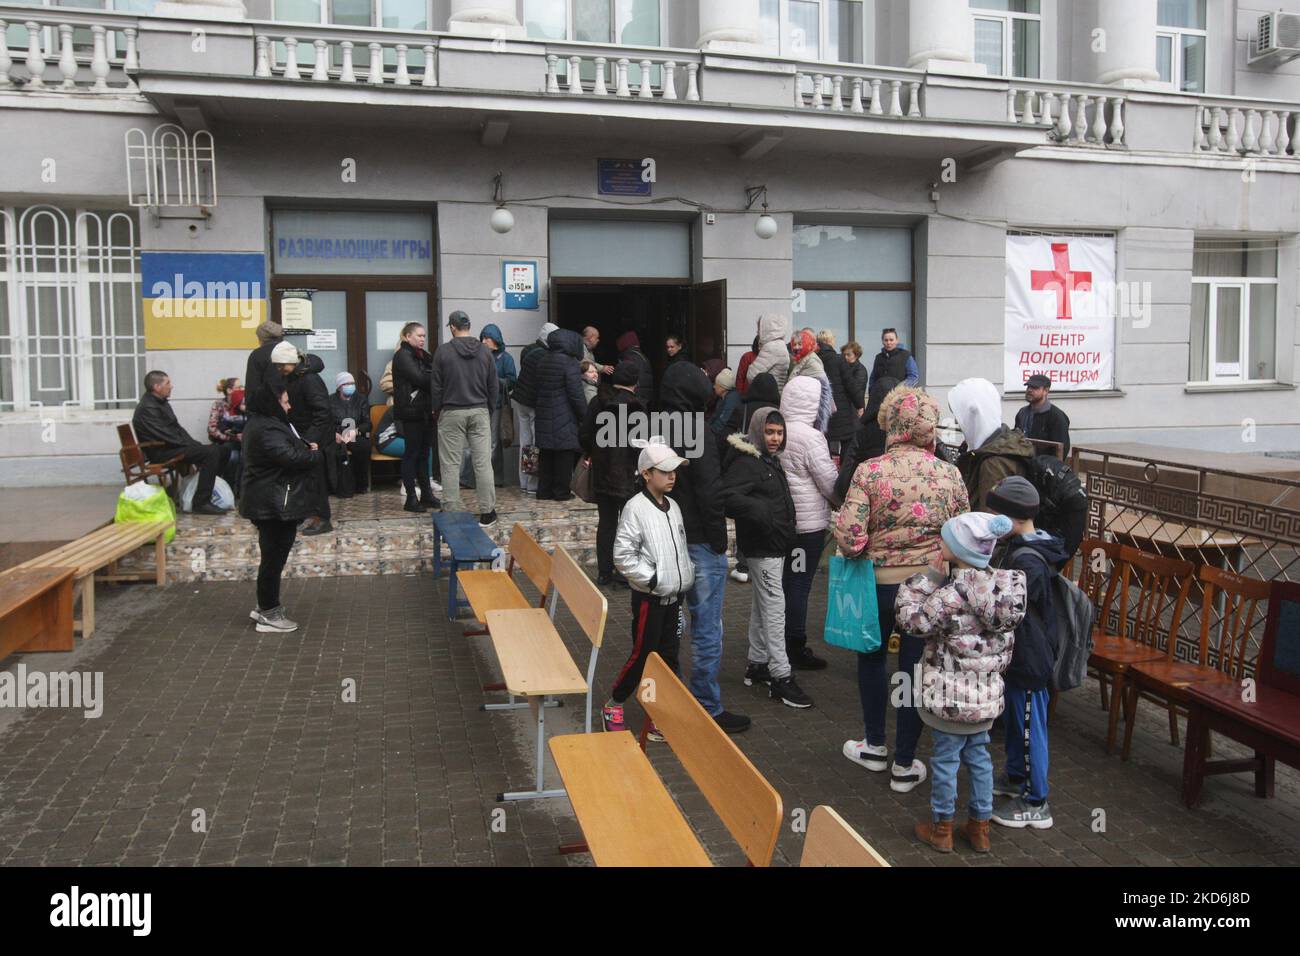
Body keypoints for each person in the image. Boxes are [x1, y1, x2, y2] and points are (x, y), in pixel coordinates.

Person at [833, 385, 971, 794]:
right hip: (927, 591)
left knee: (872, 663)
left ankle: (875, 745)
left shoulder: (869, 472)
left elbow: (850, 539)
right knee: (914, 672)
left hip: (876, 587)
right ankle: (905, 764)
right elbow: (964, 537)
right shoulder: (949, 474)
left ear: (891, 425)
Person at [897, 512, 1024, 854]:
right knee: (980, 758)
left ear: (958, 550)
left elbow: (912, 621)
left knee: (946, 759)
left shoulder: (950, 596)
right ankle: (980, 828)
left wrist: (930, 577)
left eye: (945, 541)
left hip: (950, 699)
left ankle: (942, 829)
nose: (940, 545)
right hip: (985, 698)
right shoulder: (1004, 593)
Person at [659, 362, 749, 734]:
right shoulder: (698, 430)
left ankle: (668, 703)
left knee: (668, 625)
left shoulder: (657, 428)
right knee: (707, 626)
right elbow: (710, 491)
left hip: (666, 540)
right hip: (698, 541)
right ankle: (706, 706)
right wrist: (717, 541)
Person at [987, 476, 1066, 831]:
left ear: (1012, 516)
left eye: (996, 512)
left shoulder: (1027, 560)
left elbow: (1009, 607)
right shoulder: (1033, 546)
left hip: (1031, 657)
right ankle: (1016, 776)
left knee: (1031, 726)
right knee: (1019, 721)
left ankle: (1037, 800)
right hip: (1024, 656)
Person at [721, 408, 808, 712]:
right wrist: (761, 514)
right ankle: (780, 675)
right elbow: (727, 496)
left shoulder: (768, 460)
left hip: (773, 545)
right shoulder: (747, 463)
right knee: (774, 608)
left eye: (779, 432)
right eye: (770, 432)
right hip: (762, 547)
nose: (775, 438)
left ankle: (757, 664)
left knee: (764, 605)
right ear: (758, 431)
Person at [606, 440, 694, 738]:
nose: (672, 477)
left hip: (674, 597)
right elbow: (623, 556)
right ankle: (614, 703)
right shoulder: (635, 508)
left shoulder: (674, 507)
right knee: (643, 653)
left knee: (668, 657)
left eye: (674, 471)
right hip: (649, 598)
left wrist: (683, 577)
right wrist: (653, 580)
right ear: (646, 473)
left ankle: (654, 711)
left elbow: (679, 547)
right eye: (665, 471)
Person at [239, 382, 322, 634]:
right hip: (272, 503)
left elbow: (289, 449)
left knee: (273, 556)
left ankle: (265, 606)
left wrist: (305, 447)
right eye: (285, 402)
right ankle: (268, 612)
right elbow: (290, 457)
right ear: (272, 403)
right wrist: (314, 454)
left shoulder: (268, 424)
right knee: (273, 557)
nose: (289, 406)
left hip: (272, 500)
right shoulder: (267, 429)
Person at [778, 375, 839, 676]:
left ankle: (777, 641)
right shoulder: (812, 437)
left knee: (784, 583)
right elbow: (829, 482)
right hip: (807, 528)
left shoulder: (777, 430)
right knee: (799, 584)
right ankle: (795, 644)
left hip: (782, 524)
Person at [132, 370, 233, 516]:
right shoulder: (148, 408)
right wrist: (193, 447)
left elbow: (177, 429)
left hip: (171, 446)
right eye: (167, 383)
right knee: (211, 452)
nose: (171, 386)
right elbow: (166, 435)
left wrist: (194, 444)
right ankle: (201, 502)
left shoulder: (161, 403)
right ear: (157, 387)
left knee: (224, 449)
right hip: (161, 452)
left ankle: (207, 488)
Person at [580, 362, 644, 587]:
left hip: (603, 472)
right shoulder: (636, 406)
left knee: (606, 522)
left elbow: (585, 433)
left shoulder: (598, 401)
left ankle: (604, 572)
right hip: (628, 474)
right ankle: (624, 570)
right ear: (635, 382)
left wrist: (593, 453)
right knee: (628, 524)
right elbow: (641, 443)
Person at [432, 311, 498, 525]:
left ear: (452, 327)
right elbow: (493, 385)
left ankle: (451, 510)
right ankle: (488, 512)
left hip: (451, 412)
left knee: (450, 464)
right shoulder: (485, 352)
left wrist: (437, 410)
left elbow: (436, 387)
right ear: (469, 326)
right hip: (479, 411)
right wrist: (487, 409)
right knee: (483, 463)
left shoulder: (443, 352)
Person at [949, 376, 1036, 512]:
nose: (956, 422)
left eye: (960, 416)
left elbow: (991, 522)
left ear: (974, 414)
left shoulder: (993, 462)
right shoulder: (998, 444)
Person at [458, 322, 515, 491]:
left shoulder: (506, 359)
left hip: (496, 405)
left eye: (487, 338)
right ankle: (468, 479)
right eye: (482, 337)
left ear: (495, 340)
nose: (483, 341)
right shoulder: (478, 356)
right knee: (471, 443)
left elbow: (512, 381)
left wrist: (493, 381)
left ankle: (495, 479)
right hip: (477, 404)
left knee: (494, 445)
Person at [533, 327, 587, 502]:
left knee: (546, 453)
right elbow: (576, 394)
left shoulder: (542, 360)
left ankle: (543, 491)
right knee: (564, 453)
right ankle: (561, 492)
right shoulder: (570, 363)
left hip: (543, 413)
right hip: (564, 415)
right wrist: (584, 416)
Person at [285, 349, 333, 536]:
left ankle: (322, 518)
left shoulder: (309, 379)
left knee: (316, 478)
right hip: (301, 434)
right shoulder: (294, 376)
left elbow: (322, 412)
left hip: (314, 436)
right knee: (304, 478)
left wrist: (310, 439)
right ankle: (306, 514)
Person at [392, 322, 439, 514]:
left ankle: (426, 494)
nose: (422, 339)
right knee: (411, 455)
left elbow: (435, 372)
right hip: (411, 413)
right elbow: (420, 378)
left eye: (424, 336)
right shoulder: (403, 356)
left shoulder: (422, 355)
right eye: (419, 335)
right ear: (407, 336)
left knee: (423, 454)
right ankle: (411, 497)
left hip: (425, 411)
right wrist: (434, 378)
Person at [833, 376, 897, 504]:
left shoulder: (862, 433)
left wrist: (840, 496)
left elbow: (846, 474)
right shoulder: (911, 428)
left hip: (870, 502)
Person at [511, 322, 556, 496]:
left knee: (525, 443)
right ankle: (532, 484)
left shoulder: (527, 350)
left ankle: (523, 482)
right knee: (535, 444)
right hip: (533, 403)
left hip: (521, 400)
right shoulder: (545, 355)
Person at [328, 371, 371, 498]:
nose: (350, 386)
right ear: (340, 386)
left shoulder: (361, 399)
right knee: (331, 451)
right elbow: (326, 422)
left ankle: (361, 485)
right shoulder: (330, 401)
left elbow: (367, 424)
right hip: (337, 436)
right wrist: (335, 434)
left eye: (352, 383)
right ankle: (336, 485)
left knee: (363, 447)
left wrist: (355, 431)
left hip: (355, 435)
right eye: (347, 383)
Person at [819, 330, 862, 455]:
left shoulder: (814, 359)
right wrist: (860, 404)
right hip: (840, 409)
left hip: (821, 408)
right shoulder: (839, 359)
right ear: (830, 341)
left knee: (823, 442)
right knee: (847, 441)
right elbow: (850, 384)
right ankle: (843, 472)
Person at [1014, 373, 1071, 457]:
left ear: (1046, 391)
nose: (1029, 390)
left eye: (1035, 388)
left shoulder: (1057, 416)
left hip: (1043, 467)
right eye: (1028, 387)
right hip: (1022, 463)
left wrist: (1046, 467)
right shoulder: (1022, 413)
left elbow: (1061, 450)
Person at [787, 329, 833, 433]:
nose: (796, 347)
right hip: (801, 409)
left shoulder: (812, 361)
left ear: (807, 344)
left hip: (809, 411)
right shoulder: (800, 360)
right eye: (794, 344)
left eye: (800, 344)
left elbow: (824, 389)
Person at [208, 377, 246, 493]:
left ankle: (242, 493)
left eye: (243, 387)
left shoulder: (244, 405)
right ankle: (229, 491)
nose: (242, 389)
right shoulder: (219, 404)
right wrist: (232, 436)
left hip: (244, 444)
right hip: (227, 443)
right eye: (239, 387)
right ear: (229, 390)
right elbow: (212, 429)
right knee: (233, 458)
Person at [747, 314, 790, 391]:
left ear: (767, 329)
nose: (757, 331)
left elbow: (751, 376)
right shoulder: (780, 345)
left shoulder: (771, 347)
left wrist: (751, 366)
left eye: (759, 328)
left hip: (767, 395)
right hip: (775, 393)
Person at [244, 320, 284, 399]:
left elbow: (252, 386)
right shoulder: (288, 350)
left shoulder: (257, 355)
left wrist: (250, 409)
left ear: (261, 338)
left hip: (266, 405)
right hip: (290, 405)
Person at [706, 367, 742, 456]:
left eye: (716, 384)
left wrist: (708, 434)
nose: (714, 386)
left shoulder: (731, 399)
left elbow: (722, 421)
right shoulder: (723, 398)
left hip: (725, 440)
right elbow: (715, 417)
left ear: (723, 388)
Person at [616, 330, 654, 407]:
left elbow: (626, 379)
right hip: (645, 397)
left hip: (634, 397)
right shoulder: (642, 357)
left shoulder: (629, 358)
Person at [841, 340, 868, 418]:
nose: (845, 357)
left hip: (854, 407)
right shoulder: (843, 367)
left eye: (848, 355)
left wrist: (859, 407)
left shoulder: (860, 370)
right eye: (844, 355)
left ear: (856, 355)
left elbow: (857, 390)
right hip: (845, 405)